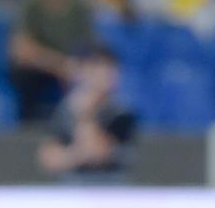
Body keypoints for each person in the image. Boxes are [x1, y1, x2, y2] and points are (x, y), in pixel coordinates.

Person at [37, 45, 139, 178]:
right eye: (97, 68)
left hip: (109, 185)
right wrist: (77, 155)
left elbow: (96, 154)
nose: (104, 75)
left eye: (110, 69)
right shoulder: (66, 109)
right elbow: (47, 158)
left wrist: (86, 113)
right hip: (71, 186)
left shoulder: (122, 113)